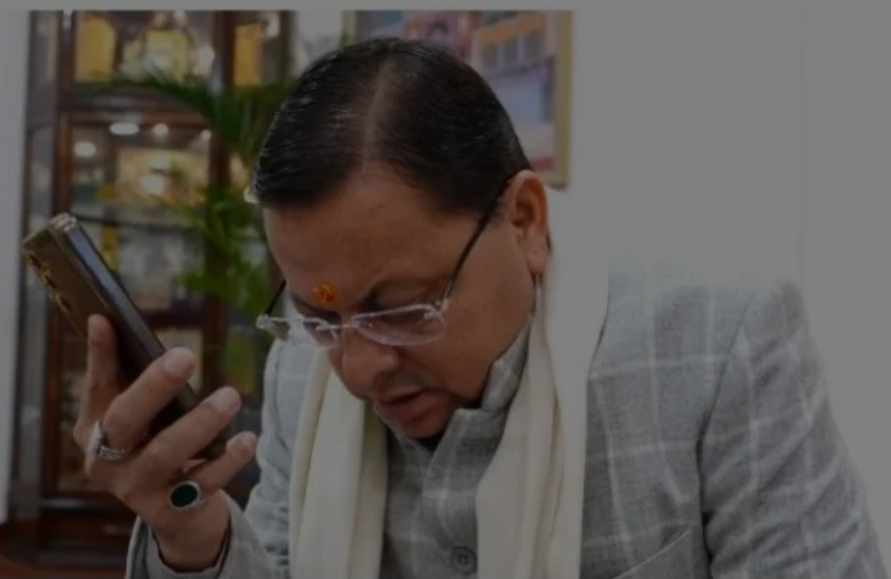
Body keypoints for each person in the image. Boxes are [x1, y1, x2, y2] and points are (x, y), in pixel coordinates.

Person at [74, 38, 886, 579]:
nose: (357, 368)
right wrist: (194, 535)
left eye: (400, 307)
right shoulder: (302, 372)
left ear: (524, 221)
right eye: (320, 317)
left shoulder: (718, 348)